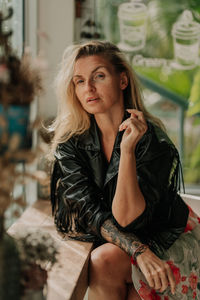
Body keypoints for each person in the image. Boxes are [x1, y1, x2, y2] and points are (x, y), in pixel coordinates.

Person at [50, 41, 200, 300]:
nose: (89, 88)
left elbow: (127, 219)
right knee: (105, 262)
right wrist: (139, 251)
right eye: (79, 81)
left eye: (99, 76)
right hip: (131, 245)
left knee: (108, 265)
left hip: (167, 238)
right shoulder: (70, 144)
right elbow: (88, 211)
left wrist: (128, 151)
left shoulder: (154, 141)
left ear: (122, 81)